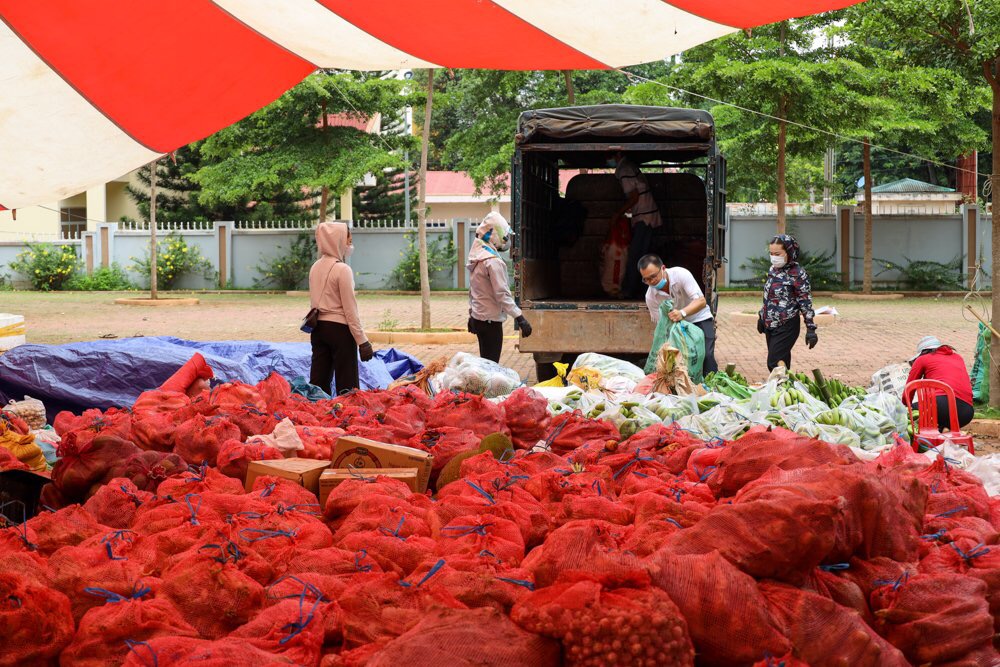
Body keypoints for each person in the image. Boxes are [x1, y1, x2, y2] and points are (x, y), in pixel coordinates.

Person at [308, 222, 374, 396]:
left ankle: (317, 416)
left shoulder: (314, 267)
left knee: (318, 383)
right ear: (337, 241)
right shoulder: (342, 269)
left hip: (318, 330)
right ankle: (348, 418)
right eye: (348, 241)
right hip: (340, 332)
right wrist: (363, 341)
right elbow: (350, 309)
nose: (349, 246)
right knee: (347, 385)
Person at [466, 212, 531, 363]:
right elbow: (502, 294)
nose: (507, 241)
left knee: (485, 363)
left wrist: (471, 314)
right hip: (490, 323)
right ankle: (487, 387)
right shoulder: (493, 262)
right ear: (494, 235)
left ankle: (483, 386)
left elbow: (473, 291)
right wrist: (519, 317)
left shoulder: (477, 257)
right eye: (505, 236)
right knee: (491, 365)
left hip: (479, 319)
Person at [638, 254, 718, 374]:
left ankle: (712, 387)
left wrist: (682, 313)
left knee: (706, 356)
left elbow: (701, 301)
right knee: (680, 361)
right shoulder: (650, 297)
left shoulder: (681, 274)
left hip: (699, 318)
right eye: (646, 279)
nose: (652, 281)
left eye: (653, 276)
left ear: (663, 268)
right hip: (677, 328)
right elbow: (662, 325)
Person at [757, 234, 817, 371]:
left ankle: (780, 387)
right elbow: (768, 296)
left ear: (789, 252)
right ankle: (784, 389)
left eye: (777, 254)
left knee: (774, 362)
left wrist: (811, 329)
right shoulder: (773, 270)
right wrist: (761, 316)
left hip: (787, 325)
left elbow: (805, 302)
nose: (774, 257)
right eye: (771, 253)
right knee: (782, 361)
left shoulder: (798, 274)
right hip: (770, 325)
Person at [610, 152, 663, 298]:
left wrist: (617, 214)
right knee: (642, 255)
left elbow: (633, 197)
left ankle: (629, 291)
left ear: (617, 154)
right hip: (646, 216)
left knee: (636, 256)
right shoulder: (629, 166)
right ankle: (641, 291)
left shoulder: (624, 170)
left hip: (645, 218)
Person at [906, 336, 974, 430]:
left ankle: (921, 442)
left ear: (923, 352)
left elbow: (909, 388)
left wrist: (905, 406)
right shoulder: (958, 358)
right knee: (937, 417)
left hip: (940, 405)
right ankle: (940, 440)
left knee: (912, 412)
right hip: (966, 413)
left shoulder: (922, 359)